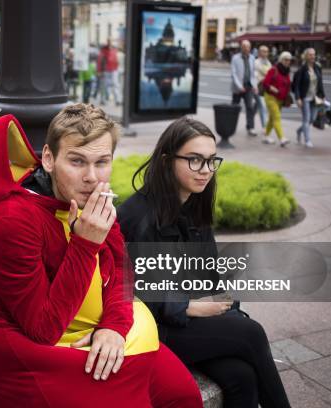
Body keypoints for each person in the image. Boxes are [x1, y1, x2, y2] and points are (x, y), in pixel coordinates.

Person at [0, 104, 203, 407]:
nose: (91, 177)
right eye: (77, 161)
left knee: (184, 395)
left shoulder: (96, 200)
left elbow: (120, 273)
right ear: (48, 158)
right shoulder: (11, 219)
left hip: (88, 322)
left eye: (102, 162)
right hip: (25, 338)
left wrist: (112, 327)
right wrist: (85, 244)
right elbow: (42, 328)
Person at [118, 117, 292, 408]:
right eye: (195, 160)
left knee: (242, 375)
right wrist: (189, 305)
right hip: (152, 328)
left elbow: (208, 277)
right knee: (252, 333)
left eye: (212, 161)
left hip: (187, 319)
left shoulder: (193, 204)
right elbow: (131, 293)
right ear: (166, 160)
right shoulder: (139, 216)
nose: (206, 171)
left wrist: (223, 306)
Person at [293, 48, 326, 148]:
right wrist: (298, 98)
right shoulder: (301, 70)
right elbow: (296, 85)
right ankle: (307, 140)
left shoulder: (317, 67)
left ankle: (299, 130)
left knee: (312, 119)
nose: (312, 56)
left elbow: (320, 83)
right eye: (310, 55)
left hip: (315, 98)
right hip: (305, 98)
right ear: (306, 56)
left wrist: (323, 95)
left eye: (314, 54)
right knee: (306, 119)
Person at [261, 51, 293, 146]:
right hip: (270, 96)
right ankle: (282, 138)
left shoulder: (287, 71)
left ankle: (266, 136)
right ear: (281, 60)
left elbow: (287, 85)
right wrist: (273, 89)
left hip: (281, 98)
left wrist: (286, 96)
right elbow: (265, 83)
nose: (288, 62)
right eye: (286, 60)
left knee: (272, 118)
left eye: (289, 60)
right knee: (277, 117)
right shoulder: (273, 70)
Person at [231, 40, 258, 137]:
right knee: (234, 108)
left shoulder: (252, 58)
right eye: (244, 46)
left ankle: (250, 127)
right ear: (241, 47)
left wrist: (255, 86)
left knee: (250, 107)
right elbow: (233, 74)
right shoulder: (235, 58)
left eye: (248, 47)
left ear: (250, 48)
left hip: (248, 86)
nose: (246, 48)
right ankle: (230, 127)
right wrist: (239, 86)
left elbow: (254, 73)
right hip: (238, 87)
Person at [97, 39, 120, 106]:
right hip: (105, 70)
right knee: (104, 85)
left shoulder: (114, 49)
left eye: (111, 41)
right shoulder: (103, 50)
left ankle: (117, 100)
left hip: (114, 69)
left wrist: (117, 66)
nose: (110, 43)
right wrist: (99, 70)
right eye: (109, 41)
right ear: (107, 42)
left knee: (115, 85)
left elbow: (116, 59)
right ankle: (102, 100)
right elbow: (99, 60)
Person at [254, 45, 272, 131]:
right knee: (263, 107)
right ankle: (264, 127)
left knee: (255, 107)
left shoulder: (268, 63)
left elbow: (271, 74)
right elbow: (266, 72)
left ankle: (249, 122)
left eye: (267, 51)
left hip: (265, 88)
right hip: (258, 87)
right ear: (259, 52)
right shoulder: (256, 62)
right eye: (263, 51)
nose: (265, 53)